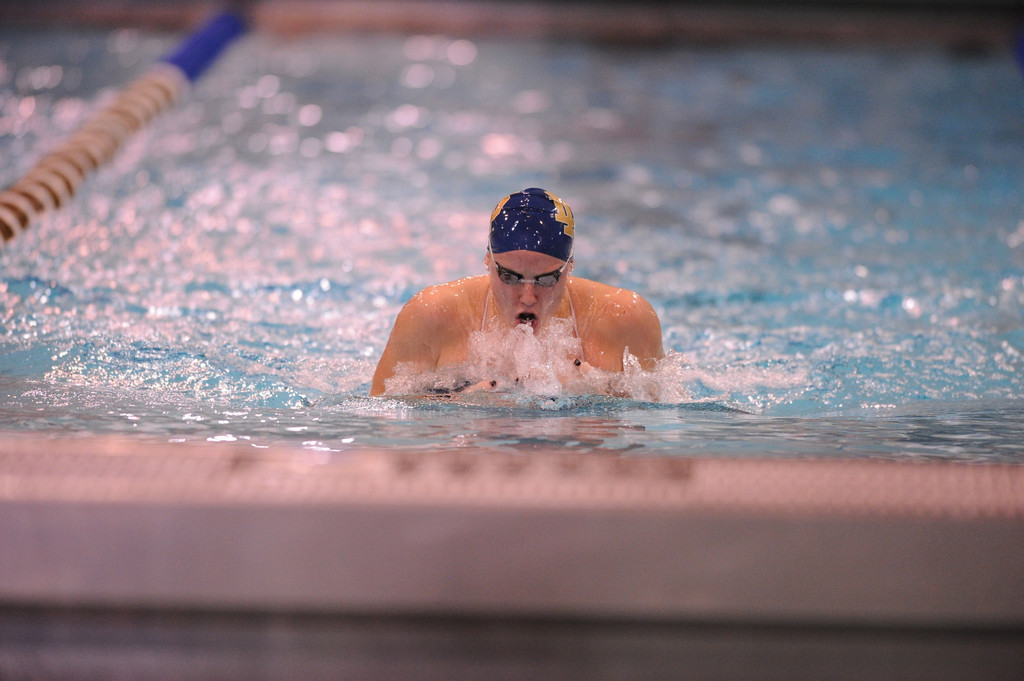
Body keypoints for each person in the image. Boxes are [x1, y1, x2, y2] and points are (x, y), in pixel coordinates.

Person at [370, 188, 665, 396]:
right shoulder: (430, 315)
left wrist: (600, 398)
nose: (527, 296)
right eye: (509, 276)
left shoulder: (627, 318)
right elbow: (383, 419)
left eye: (546, 279)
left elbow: (657, 428)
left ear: (570, 266)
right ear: (488, 261)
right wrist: (460, 404)